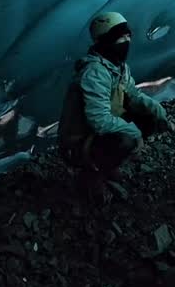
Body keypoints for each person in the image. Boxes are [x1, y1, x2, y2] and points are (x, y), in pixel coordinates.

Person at [58, 11, 168, 205]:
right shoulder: (94, 73)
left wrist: (156, 109)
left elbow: (132, 95)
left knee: (148, 119)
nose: (126, 42)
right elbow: (98, 121)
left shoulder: (117, 66)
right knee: (125, 140)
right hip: (79, 140)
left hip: (97, 132)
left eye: (128, 36)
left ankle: (107, 164)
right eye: (120, 37)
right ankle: (92, 175)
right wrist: (134, 132)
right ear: (105, 41)